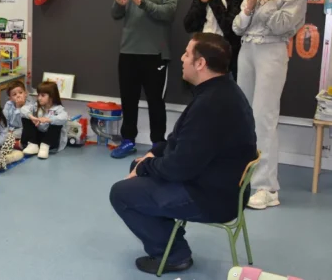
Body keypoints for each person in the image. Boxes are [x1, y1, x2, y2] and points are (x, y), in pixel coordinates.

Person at [109, 33, 257, 275]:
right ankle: (170, 240)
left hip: (212, 197)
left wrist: (146, 166)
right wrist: (152, 155)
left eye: (187, 54)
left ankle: (175, 256)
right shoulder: (220, 91)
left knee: (121, 193)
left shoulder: (211, 105)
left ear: (200, 64)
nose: (182, 58)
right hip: (221, 186)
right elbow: (179, 140)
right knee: (138, 167)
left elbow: (179, 168)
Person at [232, 0, 307, 210]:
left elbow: (282, 26)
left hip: (272, 52)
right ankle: (247, 179)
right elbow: (238, 27)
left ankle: (267, 188)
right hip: (247, 51)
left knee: (264, 118)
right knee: (245, 118)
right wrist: (251, 1)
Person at [111, 0, 180, 159]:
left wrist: (142, 3)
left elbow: (168, 12)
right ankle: (128, 140)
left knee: (155, 102)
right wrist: (119, 5)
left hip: (155, 54)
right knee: (128, 100)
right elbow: (116, 15)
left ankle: (158, 144)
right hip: (128, 51)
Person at [19, 81, 68, 159]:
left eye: (43, 95)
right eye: (38, 95)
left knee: (56, 123)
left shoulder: (58, 109)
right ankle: (33, 144)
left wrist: (49, 120)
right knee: (26, 117)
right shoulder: (37, 106)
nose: (39, 98)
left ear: (52, 96)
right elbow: (23, 109)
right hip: (37, 139)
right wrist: (31, 117)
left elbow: (64, 117)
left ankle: (45, 146)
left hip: (51, 143)